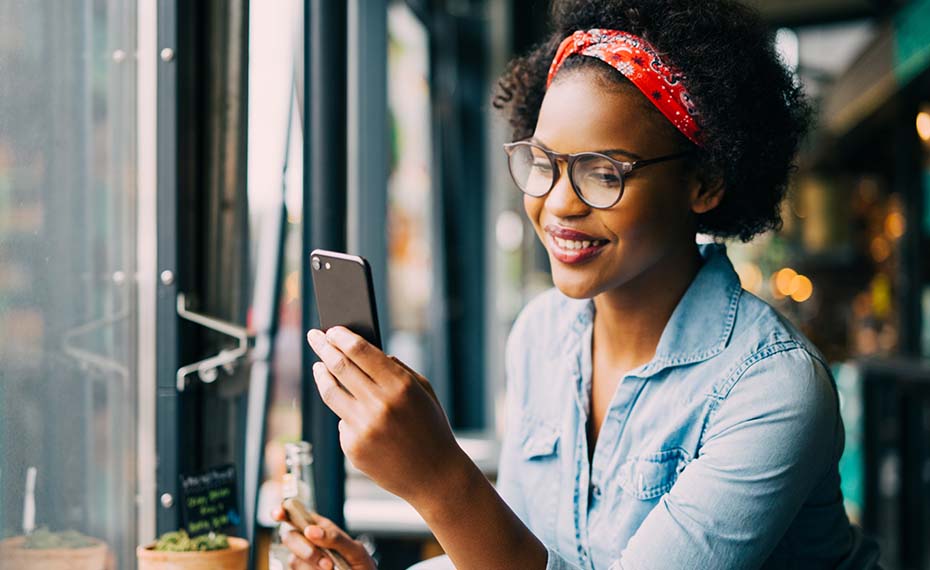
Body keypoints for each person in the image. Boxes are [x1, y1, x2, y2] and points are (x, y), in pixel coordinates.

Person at [273, 0, 882, 568]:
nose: (558, 204)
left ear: (704, 183)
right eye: (543, 163)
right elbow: (527, 551)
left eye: (602, 172)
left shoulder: (771, 389)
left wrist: (440, 480)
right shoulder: (540, 334)